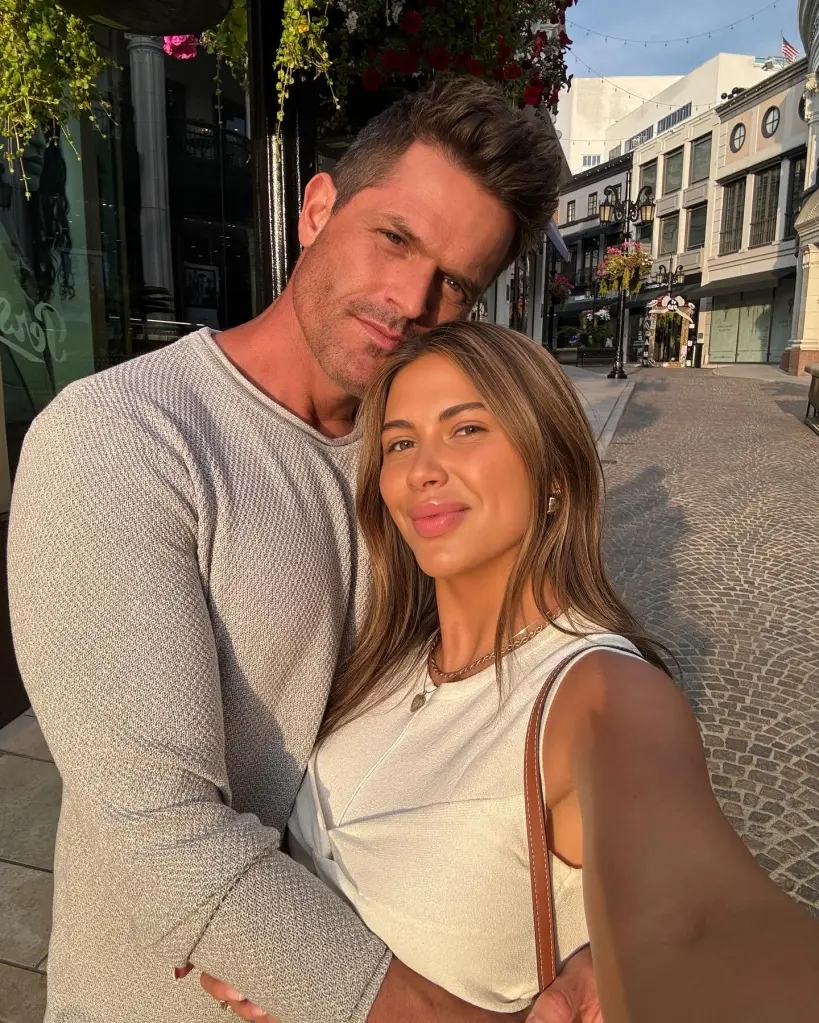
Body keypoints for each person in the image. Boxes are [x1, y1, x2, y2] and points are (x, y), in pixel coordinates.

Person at [7, 79, 598, 1023]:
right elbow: (159, 833)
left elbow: (546, 663)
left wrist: (609, 929)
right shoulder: (124, 438)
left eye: (455, 281)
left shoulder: (416, 465)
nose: (412, 299)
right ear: (317, 208)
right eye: (395, 239)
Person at [286, 320, 819, 1021]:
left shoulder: (599, 691)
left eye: (466, 429)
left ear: (555, 476)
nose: (422, 469)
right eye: (399, 442)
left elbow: (702, 927)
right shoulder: (380, 660)